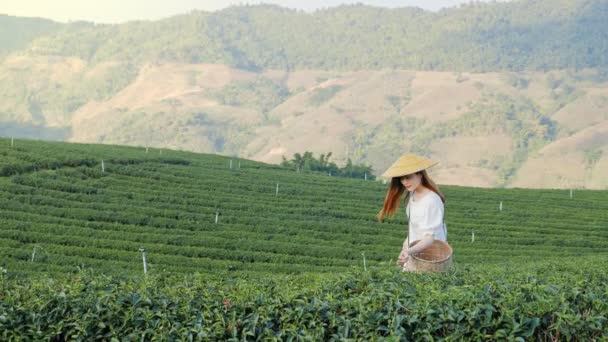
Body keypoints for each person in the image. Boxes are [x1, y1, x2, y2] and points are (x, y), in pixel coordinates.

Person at [376, 153, 446, 271]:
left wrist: (408, 251)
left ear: (420, 174)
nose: (404, 182)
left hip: (431, 258)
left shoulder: (431, 200)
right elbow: (413, 227)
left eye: (408, 177)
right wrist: (405, 249)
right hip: (415, 252)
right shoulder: (413, 193)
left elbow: (430, 238)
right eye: (401, 178)